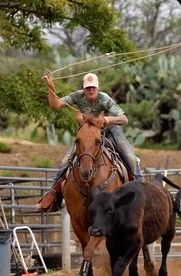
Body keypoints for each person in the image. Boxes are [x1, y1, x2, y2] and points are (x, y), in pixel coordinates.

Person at [38, 72, 142, 211]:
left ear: (98, 88)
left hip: (110, 131)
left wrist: (106, 120)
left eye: (93, 87)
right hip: (87, 134)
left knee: (130, 157)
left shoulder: (104, 99)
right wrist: (51, 88)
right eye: (88, 88)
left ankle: (141, 192)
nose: (91, 90)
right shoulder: (77, 96)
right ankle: (53, 195)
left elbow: (124, 119)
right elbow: (55, 104)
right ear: (84, 88)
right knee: (65, 161)